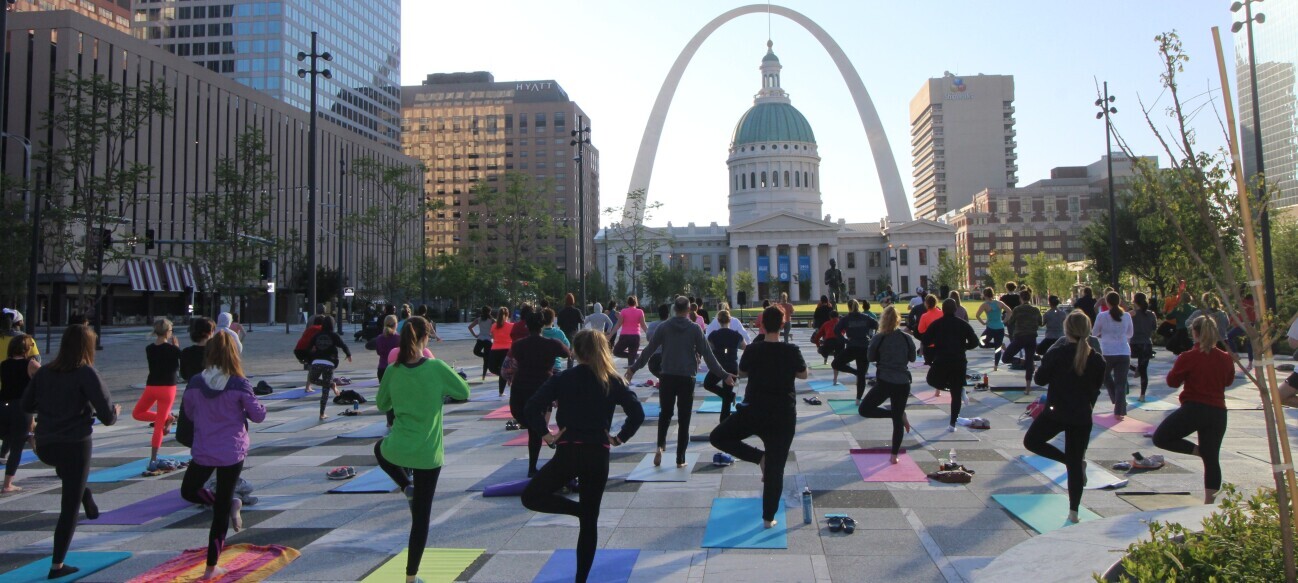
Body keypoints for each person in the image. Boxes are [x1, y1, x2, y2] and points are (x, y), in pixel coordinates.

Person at [522, 331, 644, 583]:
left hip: (569, 452)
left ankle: (580, 511)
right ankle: (581, 575)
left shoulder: (563, 378)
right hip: (597, 454)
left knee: (531, 496)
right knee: (589, 522)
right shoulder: (612, 379)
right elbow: (637, 413)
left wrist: (546, 435)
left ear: (576, 351)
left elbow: (531, 407)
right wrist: (619, 438)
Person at [373, 316, 468, 583]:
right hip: (428, 454)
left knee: (379, 449)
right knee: (421, 519)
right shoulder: (436, 367)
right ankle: (410, 577)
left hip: (398, 448)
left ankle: (406, 486)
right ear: (426, 338)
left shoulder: (393, 370)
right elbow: (464, 392)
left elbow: (381, 405)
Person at [22, 325, 119, 580]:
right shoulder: (86, 372)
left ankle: (86, 496)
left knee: (70, 476)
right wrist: (115, 411)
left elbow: (26, 404)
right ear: (88, 347)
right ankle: (57, 566)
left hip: (45, 446)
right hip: (75, 444)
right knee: (69, 507)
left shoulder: (45, 372)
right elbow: (108, 417)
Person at [178, 332, 265, 581]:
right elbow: (258, 415)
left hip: (210, 448)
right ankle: (228, 504)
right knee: (211, 501)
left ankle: (211, 566)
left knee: (191, 492)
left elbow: (189, 412)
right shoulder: (239, 383)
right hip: (228, 449)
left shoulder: (197, 383)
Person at [709, 307, 807, 529]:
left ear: (762, 325)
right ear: (782, 325)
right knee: (776, 469)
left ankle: (759, 458)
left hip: (754, 411)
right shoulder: (791, 350)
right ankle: (768, 518)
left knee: (718, 437)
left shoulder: (753, 349)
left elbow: (742, 372)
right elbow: (803, 374)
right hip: (782, 415)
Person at [627, 296, 734, 468]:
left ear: (675, 309)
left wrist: (633, 369)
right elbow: (708, 356)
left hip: (667, 376)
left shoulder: (664, 327)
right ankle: (680, 459)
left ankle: (660, 446)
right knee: (684, 418)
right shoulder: (695, 329)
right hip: (687, 378)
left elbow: (648, 350)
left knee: (665, 414)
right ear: (689, 310)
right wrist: (724, 375)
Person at [1023, 311, 1105, 524]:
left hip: (1056, 413)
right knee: (1074, 463)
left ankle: (1072, 465)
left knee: (1032, 441)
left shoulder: (1057, 353)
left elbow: (1040, 379)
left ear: (1066, 330)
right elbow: (1095, 389)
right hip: (1080, 416)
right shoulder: (1097, 359)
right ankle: (1073, 512)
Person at [1155, 315, 1234, 505]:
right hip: (1218, 412)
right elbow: (1229, 381)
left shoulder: (1188, 357)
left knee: (1161, 437)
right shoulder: (1225, 358)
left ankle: (1198, 451)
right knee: (1212, 459)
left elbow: (1172, 382)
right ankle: (1209, 505)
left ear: (1195, 333)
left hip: (1194, 408)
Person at [508, 313, 570, 477]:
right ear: (543, 326)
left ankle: (535, 460)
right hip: (541, 389)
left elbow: (512, 361)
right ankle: (546, 439)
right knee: (535, 426)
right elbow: (567, 353)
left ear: (526, 326)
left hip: (520, 390)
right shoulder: (552, 344)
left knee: (532, 426)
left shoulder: (518, 345)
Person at [860, 306, 916, 463]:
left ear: (883, 320)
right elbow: (912, 358)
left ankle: (896, 414)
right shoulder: (906, 338)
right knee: (897, 421)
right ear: (898, 320)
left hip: (885, 382)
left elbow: (870, 357)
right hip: (903, 382)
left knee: (864, 409)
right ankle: (894, 455)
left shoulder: (879, 338)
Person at [923, 298, 981, 428]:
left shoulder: (937, 324)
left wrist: (935, 345)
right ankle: (953, 423)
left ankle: (954, 388)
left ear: (942, 310)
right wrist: (964, 347)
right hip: (958, 360)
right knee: (955, 394)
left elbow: (926, 341)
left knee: (932, 380)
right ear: (955, 309)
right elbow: (975, 342)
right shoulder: (963, 324)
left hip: (941, 359)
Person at [136, 318, 181, 471]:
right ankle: (167, 418)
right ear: (168, 332)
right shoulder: (173, 349)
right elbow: (178, 366)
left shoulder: (149, 348)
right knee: (141, 414)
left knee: (144, 416)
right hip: (166, 387)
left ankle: (153, 458)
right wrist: (176, 348)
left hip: (153, 385)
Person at [1, 334, 38, 494]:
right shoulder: (30, 364)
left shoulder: (4, 364)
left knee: (10, 438)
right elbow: (46, 379)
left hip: (3, 406)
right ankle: (7, 484)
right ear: (26, 348)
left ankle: (32, 437)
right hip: (21, 408)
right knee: (17, 447)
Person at [1094, 292, 1134, 419]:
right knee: (1121, 383)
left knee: (1104, 376)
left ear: (1107, 302)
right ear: (1119, 301)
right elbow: (1130, 334)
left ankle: (1115, 398)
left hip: (1107, 352)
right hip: (1123, 351)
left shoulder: (1102, 316)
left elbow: (1094, 332)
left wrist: (1104, 334)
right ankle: (1119, 411)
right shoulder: (1127, 316)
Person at [305, 317, 352, 420]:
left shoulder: (316, 335)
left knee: (312, 379)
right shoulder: (334, 335)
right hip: (329, 363)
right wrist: (348, 354)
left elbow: (308, 347)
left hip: (317, 362)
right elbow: (343, 345)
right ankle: (322, 413)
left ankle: (330, 384)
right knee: (325, 390)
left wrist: (309, 360)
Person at [833, 299, 878, 405]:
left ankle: (856, 373)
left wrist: (845, 340)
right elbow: (877, 325)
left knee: (835, 363)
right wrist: (873, 338)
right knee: (861, 376)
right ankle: (858, 399)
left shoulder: (846, 319)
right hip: (864, 348)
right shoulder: (865, 317)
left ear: (848, 307)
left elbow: (836, 330)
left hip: (852, 347)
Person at [703, 310, 745, 421]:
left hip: (718, 367)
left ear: (718, 320)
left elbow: (708, 349)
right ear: (730, 320)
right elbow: (745, 347)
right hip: (732, 367)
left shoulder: (714, 335)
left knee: (708, 384)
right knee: (726, 399)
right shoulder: (736, 335)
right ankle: (724, 420)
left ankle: (729, 396)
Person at [1002, 289, 1042, 393]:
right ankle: (1028, 387)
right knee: (1030, 361)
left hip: (1020, 337)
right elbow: (1040, 322)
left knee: (1006, 357)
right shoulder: (1035, 310)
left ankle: (1021, 361)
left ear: (1020, 298)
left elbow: (1010, 322)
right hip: (1031, 337)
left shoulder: (1017, 309)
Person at [1129, 293, 1158, 401]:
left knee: (1124, 362)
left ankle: (1136, 369)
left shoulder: (1131, 314)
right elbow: (1154, 328)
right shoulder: (1151, 314)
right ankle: (1142, 395)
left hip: (1134, 343)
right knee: (1144, 371)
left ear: (1135, 301)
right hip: (1146, 343)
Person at [975, 287, 1009, 366]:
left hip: (990, 328)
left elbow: (977, 315)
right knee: (998, 348)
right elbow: (1009, 311)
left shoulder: (985, 305)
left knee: (981, 343)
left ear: (984, 295)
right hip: (1000, 328)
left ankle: (998, 345)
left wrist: (983, 323)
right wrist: (1004, 321)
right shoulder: (1000, 303)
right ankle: (996, 365)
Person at [609, 296, 647, 366]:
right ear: (636, 303)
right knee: (631, 362)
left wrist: (610, 335)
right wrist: (649, 335)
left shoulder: (623, 311)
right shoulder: (640, 312)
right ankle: (633, 356)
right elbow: (643, 326)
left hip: (624, 336)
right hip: (635, 337)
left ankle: (633, 356)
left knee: (616, 352)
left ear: (627, 303)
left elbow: (618, 324)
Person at [487, 307, 514, 397]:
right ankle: (502, 388)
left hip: (495, 349)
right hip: (507, 349)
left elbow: (492, 336)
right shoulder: (511, 326)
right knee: (503, 370)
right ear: (508, 315)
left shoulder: (494, 326)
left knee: (492, 368)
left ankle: (501, 389)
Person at [182, 318, 215, 383]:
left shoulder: (186, 352)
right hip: (211, 386)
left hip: (193, 386)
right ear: (211, 332)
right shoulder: (216, 351)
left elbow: (184, 375)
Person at [540, 308, 572, 372]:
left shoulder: (539, 333)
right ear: (553, 319)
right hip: (556, 367)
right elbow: (567, 346)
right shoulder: (559, 333)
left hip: (541, 367)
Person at [467, 307, 495, 381]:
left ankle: (484, 375)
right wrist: (493, 336)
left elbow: (470, 327)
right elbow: (497, 328)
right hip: (488, 340)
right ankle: (483, 376)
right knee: (486, 360)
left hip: (481, 339)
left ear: (482, 312)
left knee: (476, 351)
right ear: (489, 312)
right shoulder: (492, 320)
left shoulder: (479, 319)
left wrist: (475, 335)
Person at [557, 294, 584, 364]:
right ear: (573, 301)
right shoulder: (576, 311)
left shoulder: (561, 312)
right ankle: (570, 367)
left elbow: (558, 323)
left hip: (563, 333)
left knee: (562, 352)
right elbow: (582, 320)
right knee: (571, 353)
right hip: (573, 333)